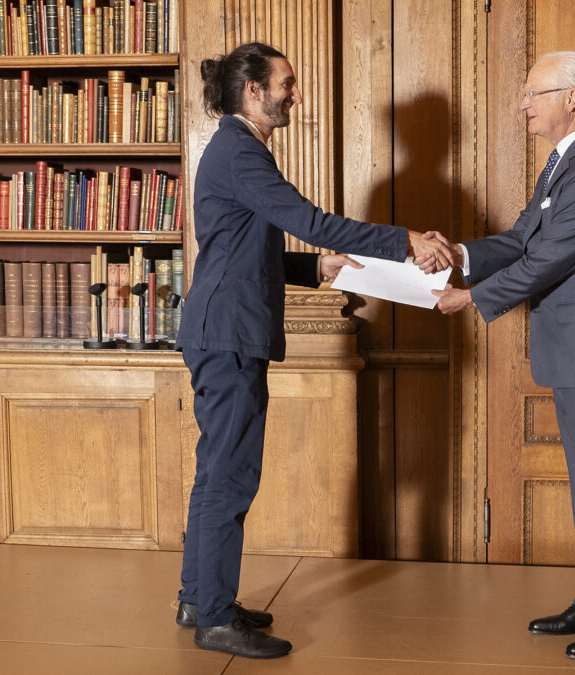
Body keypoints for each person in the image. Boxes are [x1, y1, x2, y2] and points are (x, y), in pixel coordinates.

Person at [174, 42, 453, 660]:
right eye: (288, 84)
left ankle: (199, 597)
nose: (294, 94)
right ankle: (215, 617)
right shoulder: (240, 150)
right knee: (231, 476)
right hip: (228, 333)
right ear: (254, 90)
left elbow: (241, 247)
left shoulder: (233, 147)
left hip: (220, 328)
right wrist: (403, 240)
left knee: (216, 471)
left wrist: (314, 267)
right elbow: (312, 218)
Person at [430, 51, 575, 661]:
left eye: (534, 94)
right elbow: (523, 238)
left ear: (572, 99)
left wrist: (471, 297)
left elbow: (547, 262)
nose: (524, 105)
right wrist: (460, 254)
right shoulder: (567, 163)